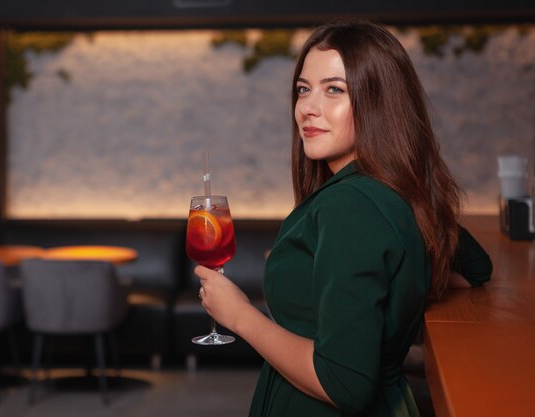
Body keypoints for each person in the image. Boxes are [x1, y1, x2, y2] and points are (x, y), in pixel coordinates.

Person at [194, 21, 492, 417]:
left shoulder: (349, 206)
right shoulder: (400, 192)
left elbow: (344, 383)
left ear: (379, 102)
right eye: (304, 89)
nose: (308, 108)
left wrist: (239, 315)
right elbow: (477, 267)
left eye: (334, 89)